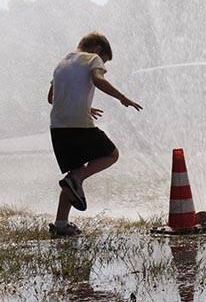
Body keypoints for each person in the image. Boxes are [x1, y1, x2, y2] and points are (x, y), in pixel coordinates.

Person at [47, 32, 142, 236]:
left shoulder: (61, 63)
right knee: (111, 154)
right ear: (98, 49)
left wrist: (82, 106)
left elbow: (51, 97)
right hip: (79, 125)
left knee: (72, 176)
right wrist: (122, 98)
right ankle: (76, 179)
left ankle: (61, 225)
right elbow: (98, 80)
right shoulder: (93, 58)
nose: (103, 65)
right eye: (105, 61)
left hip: (57, 127)